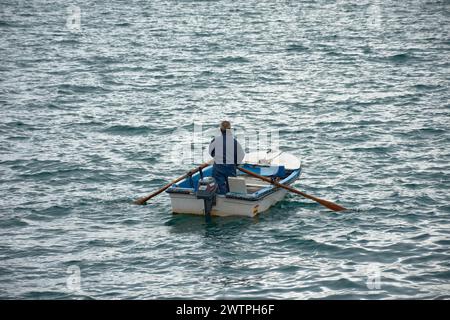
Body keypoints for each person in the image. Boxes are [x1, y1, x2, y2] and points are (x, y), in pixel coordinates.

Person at [208, 121, 245, 194]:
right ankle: (230, 197)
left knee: (219, 185)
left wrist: (217, 157)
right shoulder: (234, 141)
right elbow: (241, 155)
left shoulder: (216, 140)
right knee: (231, 186)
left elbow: (210, 151)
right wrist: (236, 164)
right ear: (230, 130)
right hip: (230, 166)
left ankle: (220, 196)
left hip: (218, 166)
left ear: (220, 130)